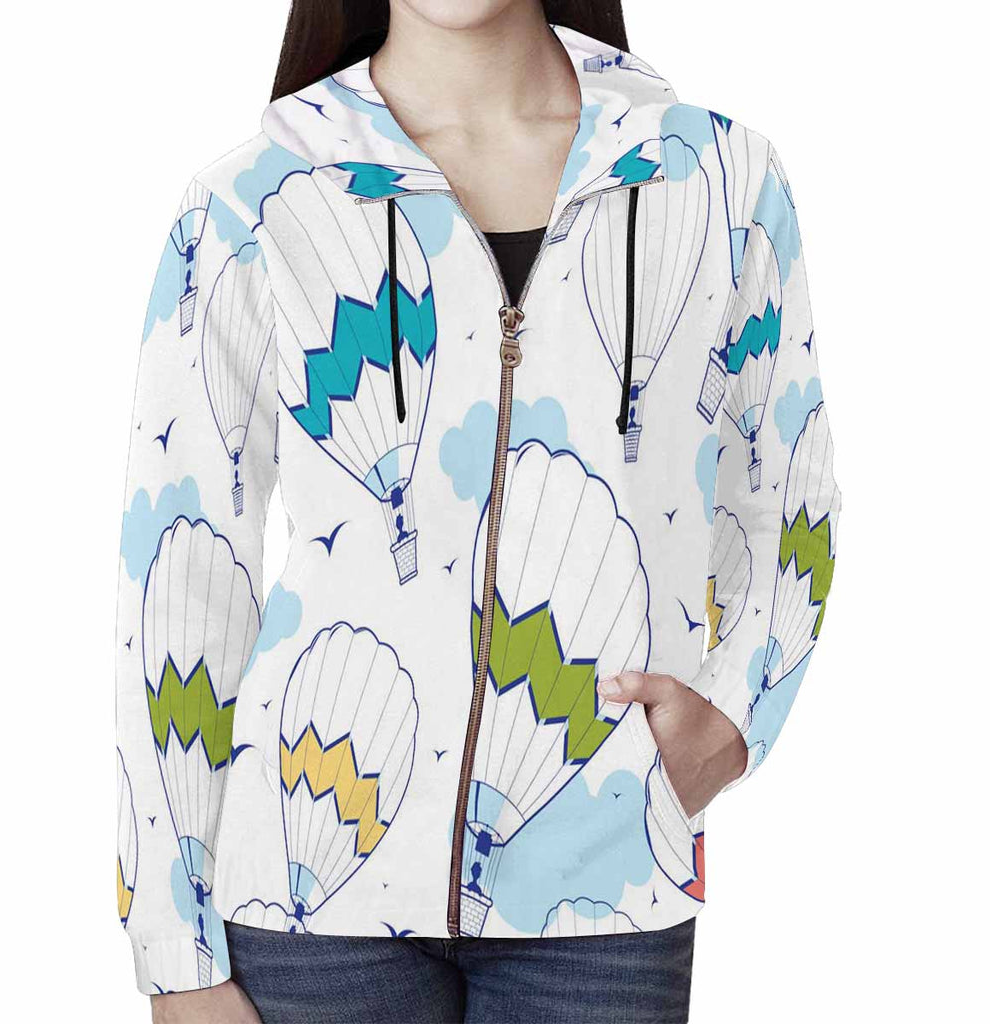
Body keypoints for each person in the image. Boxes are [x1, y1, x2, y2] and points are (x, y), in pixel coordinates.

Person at [116, 1, 840, 1021]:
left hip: (605, 883)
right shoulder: (256, 197)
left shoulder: (713, 175)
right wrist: (175, 952)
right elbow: (180, 574)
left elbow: (787, 487)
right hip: (307, 881)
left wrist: (733, 713)